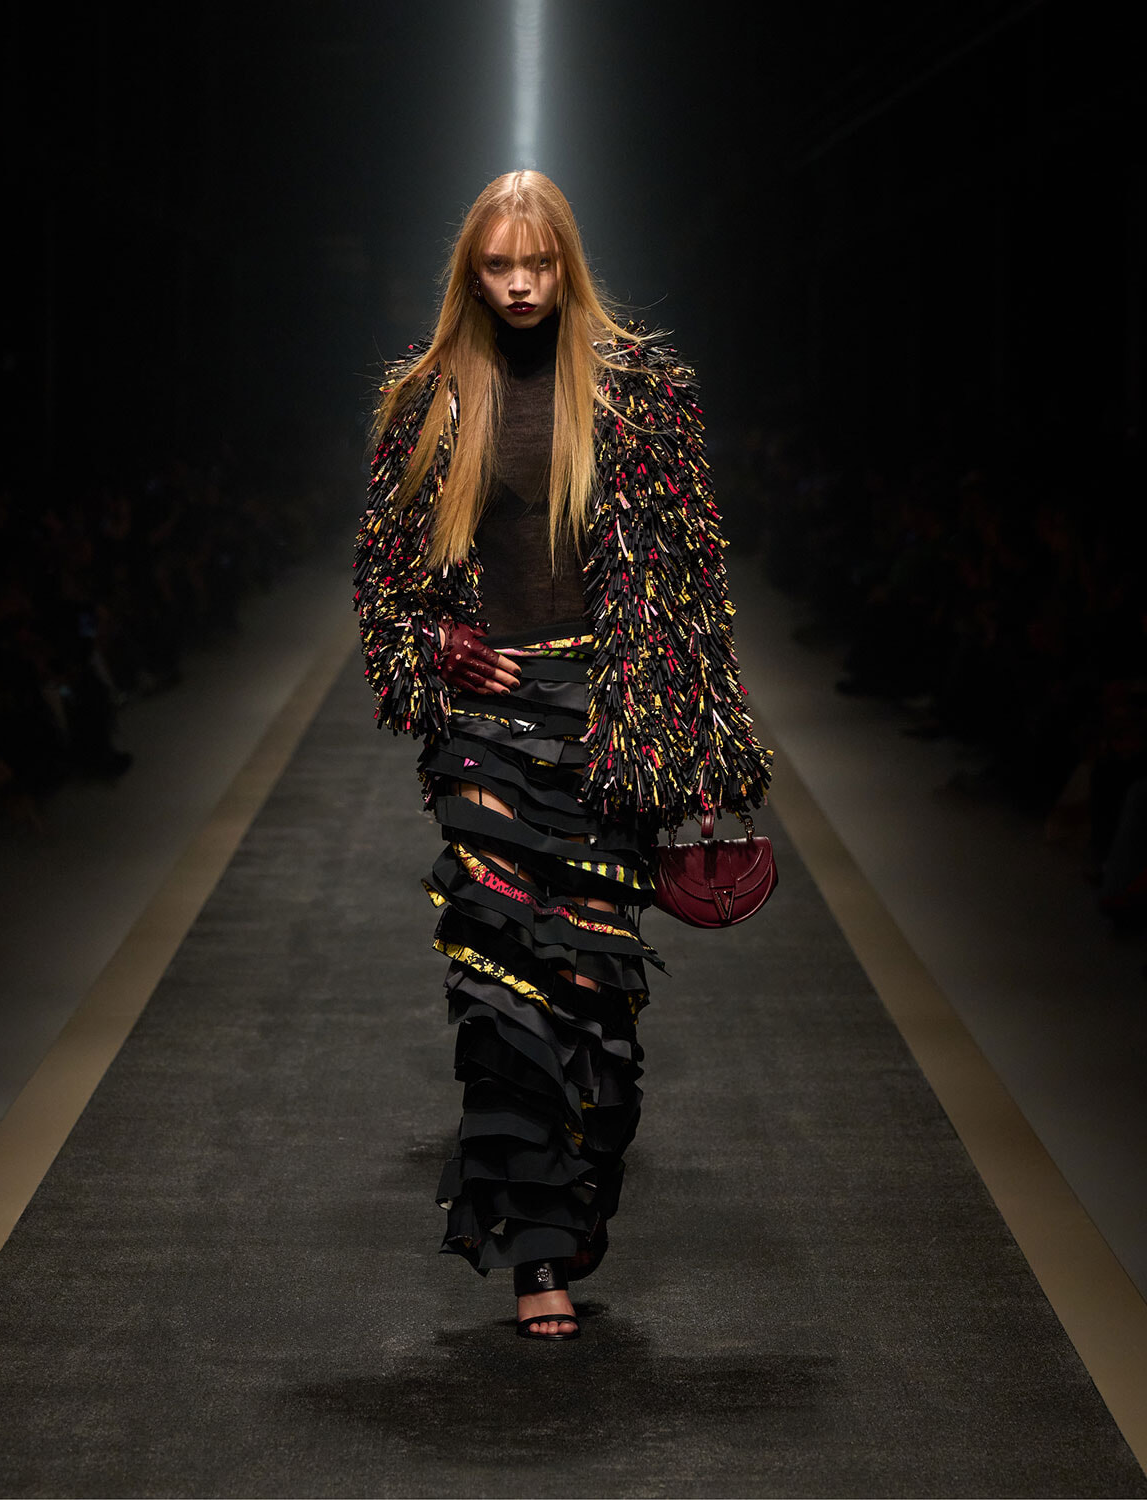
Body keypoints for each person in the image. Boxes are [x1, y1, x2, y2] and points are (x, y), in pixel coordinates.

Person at [354, 170, 772, 1341]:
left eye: (538, 261)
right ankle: (538, 1257)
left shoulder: (639, 395)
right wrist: (432, 639)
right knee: (501, 997)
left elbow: (691, 590)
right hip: (488, 733)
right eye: (498, 264)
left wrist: (714, 756)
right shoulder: (429, 400)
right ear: (471, 273)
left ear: (567, 262)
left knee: (596, 1000)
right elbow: (384, 585)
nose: (522, 282)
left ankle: (576, 1213)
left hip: (606, 720)